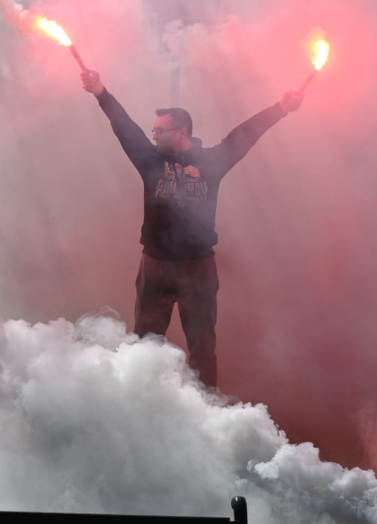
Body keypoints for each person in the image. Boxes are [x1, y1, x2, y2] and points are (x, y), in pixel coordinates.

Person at [80, 68, 302, 387]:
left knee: (202, 348)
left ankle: (207, 409)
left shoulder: (212, 162)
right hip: (155, 266)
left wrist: (280, 108)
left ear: (181, 132)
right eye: (154, 132)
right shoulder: (149, 161)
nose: (153, 136)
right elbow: (124, 127)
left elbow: (245, 134)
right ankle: (142, 406)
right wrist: (101, 92)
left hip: (197, 270)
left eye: (160, 131)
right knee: (144, 345)